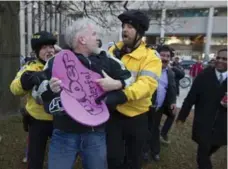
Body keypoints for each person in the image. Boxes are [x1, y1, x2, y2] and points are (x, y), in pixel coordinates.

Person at [35, 18, 133, 169]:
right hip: (63, 134)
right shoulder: (55, 62)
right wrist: (49, 89)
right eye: (93, 34)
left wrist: (116, 84)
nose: (97, 38)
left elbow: (130, 78)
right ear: (82, 39)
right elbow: (37, 95)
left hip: (96, 134)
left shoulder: (107, 60)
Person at [97, 10, 162, 169]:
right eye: (123, 26)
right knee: (112, 158)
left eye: (130, 27)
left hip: (136, 117)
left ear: (140, 32)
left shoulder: (151, 57)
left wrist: (122, 94)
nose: (124, 30)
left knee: (133, 160)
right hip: (113, 115)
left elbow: (146, 85)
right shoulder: (112, 52)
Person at [10, 31, 56, 169]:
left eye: (51, 47)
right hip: (37, 122)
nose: (49, 51)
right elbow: (14, 88)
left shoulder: (61, 64)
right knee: (35, 159)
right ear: (37, 51)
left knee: (60, 159)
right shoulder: (30, 67)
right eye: (44, 48)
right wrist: (26, 80)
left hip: (60, 121)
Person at [176, 48, 227, 169]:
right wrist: (181, 117)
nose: (219, 61)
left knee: (212, 148)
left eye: (224, 59)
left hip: (223, 126)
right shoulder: (203, 76)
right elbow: (190, 99)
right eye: (218, 58)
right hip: (204, 123)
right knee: (202, 157)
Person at [145, 45, 177, 162]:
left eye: (167, 56)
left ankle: (155, 151)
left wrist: (173, 102)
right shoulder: (148, 69)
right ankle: (144, 151)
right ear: (156, 56)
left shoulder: (170, 73)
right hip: (145, 107)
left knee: (155, 129)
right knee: (144, 129)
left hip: (159, 107)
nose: (165, 58)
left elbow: (172, 88)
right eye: (162, 55)